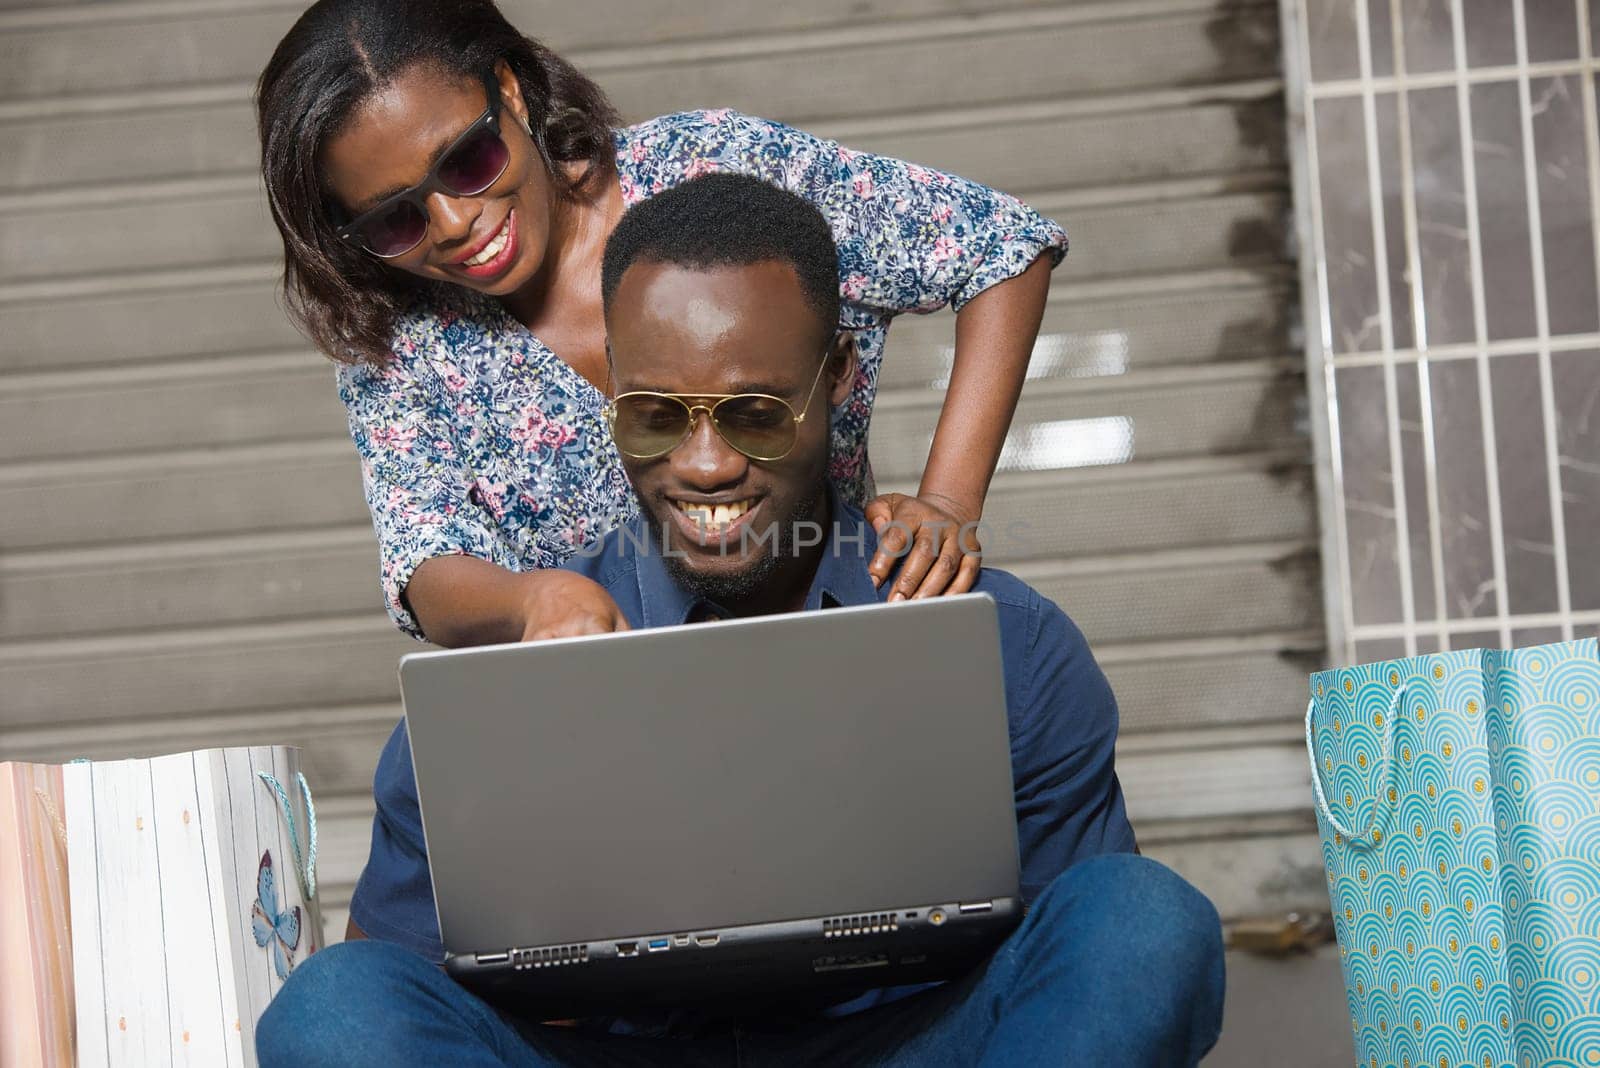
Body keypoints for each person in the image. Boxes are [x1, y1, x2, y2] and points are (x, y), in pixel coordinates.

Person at [257, 175, 1226, 1067]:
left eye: (756, 412)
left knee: (1142, 920)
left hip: (909, 1044)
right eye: (656, 416)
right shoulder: (511, 677)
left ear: (837, 375)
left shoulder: (1000, 642)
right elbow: (395, 994)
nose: (707, 464)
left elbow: (1080, 949)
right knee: (333, 1008)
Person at [256, 0, 1065, 648]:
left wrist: (950, 500)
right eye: (395, 220)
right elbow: (426, 571)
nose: (454, 223)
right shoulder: (401, 346)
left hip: (840, 645)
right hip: (620, 719)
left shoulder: (714, 171)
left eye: (468, 163)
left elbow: (999, 248)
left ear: (509, 92)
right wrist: (531, 599)